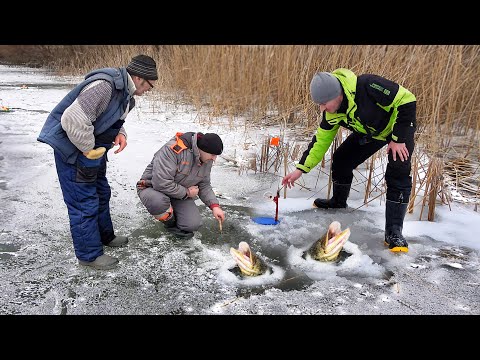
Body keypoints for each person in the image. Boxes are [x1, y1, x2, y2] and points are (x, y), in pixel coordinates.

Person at [37, 54, 158, 270]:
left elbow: (110, 119)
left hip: (94, 152)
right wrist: (88, 149)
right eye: (151, 84)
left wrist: (120, 133)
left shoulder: (128, 97)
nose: (150, 89)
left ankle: (105, 236)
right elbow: (72, 118)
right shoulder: (104, 86)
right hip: (74, 151)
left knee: (102, 193)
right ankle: (89, 255)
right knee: (84, 202)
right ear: (140, 78)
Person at [282, 68, 416, 253]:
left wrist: (399, 137)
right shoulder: (332, 114)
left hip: (397, 129)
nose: (322, 109)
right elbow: (320, 142)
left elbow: (407, 100)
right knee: (341, 160)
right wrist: (300, 170)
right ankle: (338, 201)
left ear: (337, 95)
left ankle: (394, 232)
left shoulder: (368, 86)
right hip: (371, 133)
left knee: (398, 171)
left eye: (323, 103)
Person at [136, 131, 226, 239]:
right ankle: (170, 223)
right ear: (201, 150)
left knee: (192, 224)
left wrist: (214, 206)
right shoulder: (173, 150)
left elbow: (204, 184)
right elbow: (161, 183)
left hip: (179, 193)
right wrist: (187, 192)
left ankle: (173, 211)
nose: (214, 159)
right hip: (152, 188)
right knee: (158, 202)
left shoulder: (206, 159)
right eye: (213, 155)